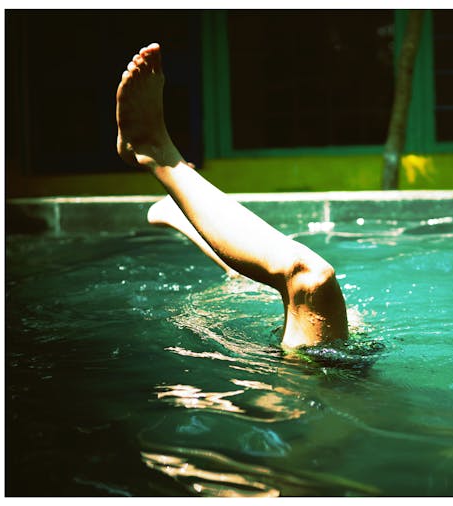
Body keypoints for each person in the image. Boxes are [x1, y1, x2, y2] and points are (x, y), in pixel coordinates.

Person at [116, 42, 349, 350]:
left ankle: (154, 152)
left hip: (305, 389)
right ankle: (181, 206)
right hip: (329, 388)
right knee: (310, 296)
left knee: (309, 279)